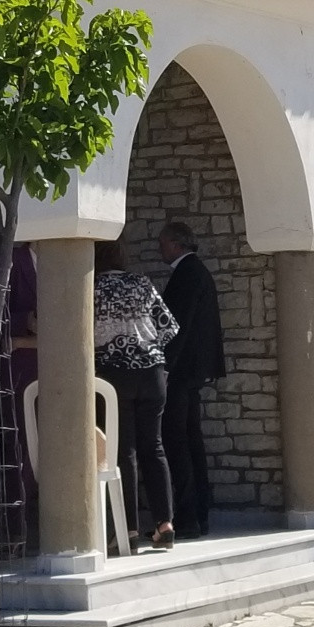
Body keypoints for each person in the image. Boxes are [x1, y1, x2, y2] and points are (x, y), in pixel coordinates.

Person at [94, 239, 180, 550]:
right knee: (154, 447)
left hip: (114, 374)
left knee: (123, 452)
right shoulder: (141, 283)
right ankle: (164, 524)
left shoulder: (92, 287)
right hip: (152, 372)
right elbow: (168, 327)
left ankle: (127, 529)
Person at [157, 222, 223, 540]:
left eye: (163, 243)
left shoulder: (187, 274)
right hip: (192, 372)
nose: (160, 249)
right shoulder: (198, 272)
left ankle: (187, 517)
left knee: (178, 441)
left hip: (181, 373)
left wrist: (165, 368)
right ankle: (199, 514)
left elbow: (176, 328)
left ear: (176, 244)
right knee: (190, 440)